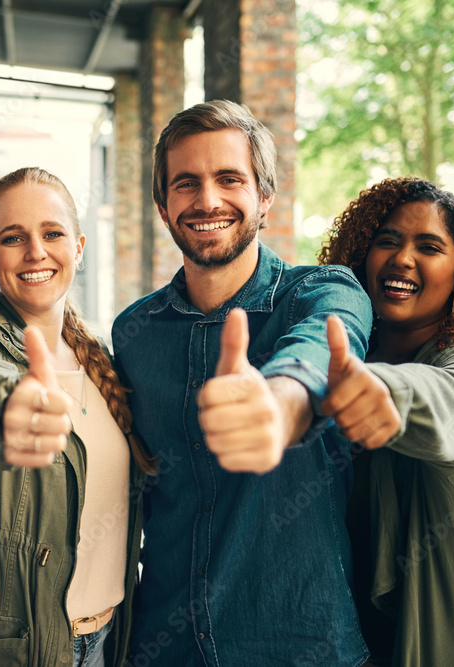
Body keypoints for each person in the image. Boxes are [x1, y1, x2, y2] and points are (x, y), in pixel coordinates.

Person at [112, 100, 372, 665]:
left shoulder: (324, 290)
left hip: (300, 644)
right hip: (164, 645)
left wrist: (281, 405)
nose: (207, 200)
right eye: (186, 184)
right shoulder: (134, 331)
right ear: (163, 206)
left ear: (265, 198)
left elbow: (326, 347)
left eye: (229, 179)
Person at [0, 167, 155, 666]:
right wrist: (11, 406)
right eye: (13, 237)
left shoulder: (103, 358)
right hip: (3, 649)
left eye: (53, 233)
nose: (36, 252)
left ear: (79, 247)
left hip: (106, 640)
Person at [319, 176, 454, 666]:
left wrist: (379, 393)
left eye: (429, 247)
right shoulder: (336, 361)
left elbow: (442, 399)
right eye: (388, 241)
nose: (403, 258)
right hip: (361, 637)